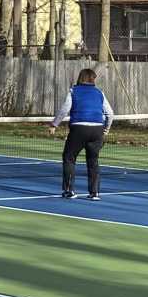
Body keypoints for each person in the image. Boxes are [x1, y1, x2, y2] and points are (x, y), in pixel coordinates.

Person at [49, 66, 114, 200]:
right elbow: (110, 113)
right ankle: (94, 193)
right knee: (93, 161)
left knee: (69, 158)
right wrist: (105, 129)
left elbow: (64, 109)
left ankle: (69, 191)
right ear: (92, 79)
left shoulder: (73, 91)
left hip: (79, 128)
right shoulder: (99, 93)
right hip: (97, 130)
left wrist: (54, 124)